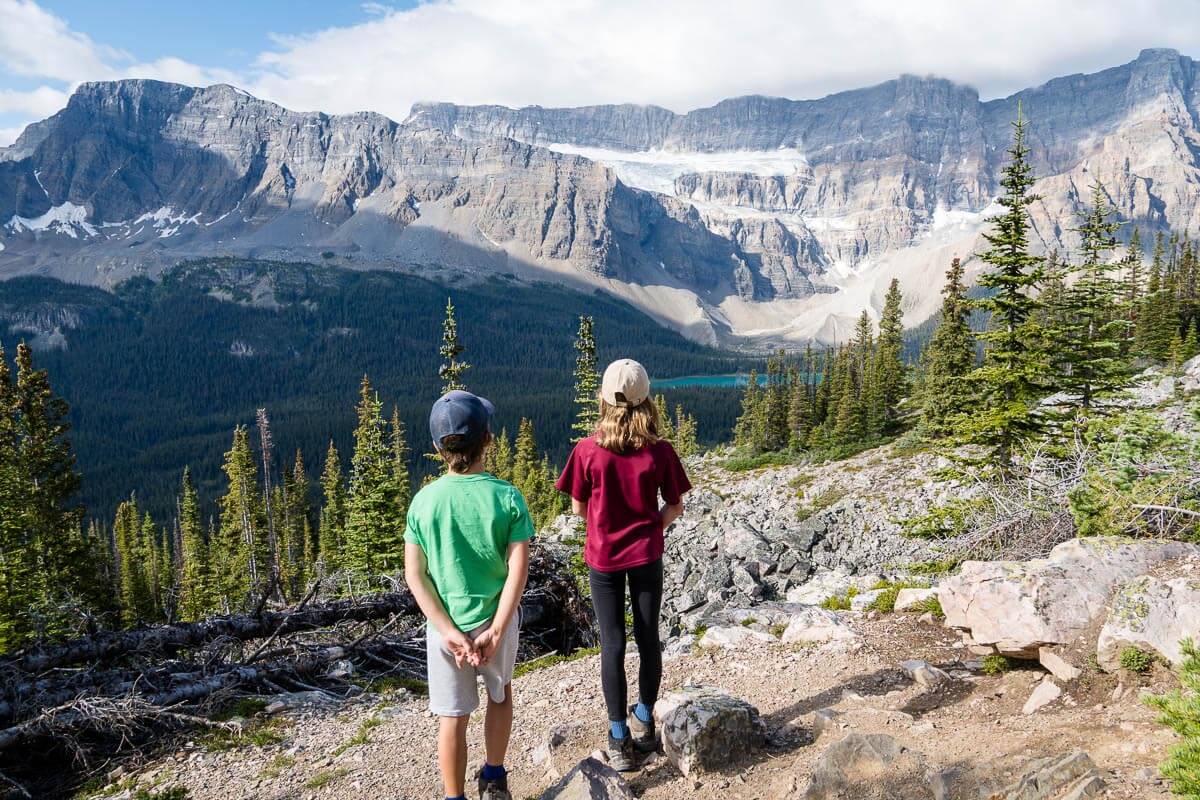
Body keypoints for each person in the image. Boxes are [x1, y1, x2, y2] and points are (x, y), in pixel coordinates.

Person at [555, 359, 692, 771]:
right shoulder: (660, 450)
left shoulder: (587, 451)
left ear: (604, 399)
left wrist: (602, 524)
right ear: (646, 399)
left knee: (612, 645)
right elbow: (676, 505)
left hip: (604, 560)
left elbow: (579, 506)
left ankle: (618, 739)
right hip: (647, 555)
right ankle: (645, 718)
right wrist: (652, 525)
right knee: (648, 639)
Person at [405, 390, 533, 800]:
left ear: (436, 448)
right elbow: (518, 567)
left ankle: (453, 795)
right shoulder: (507, 497)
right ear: (488, 440)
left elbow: (415, 575)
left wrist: (446, 630)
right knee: (500, 694)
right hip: (496, 618)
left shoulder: (423, 503)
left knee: (452, 717)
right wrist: (496, 628)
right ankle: (494, 778)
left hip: (446, 630)